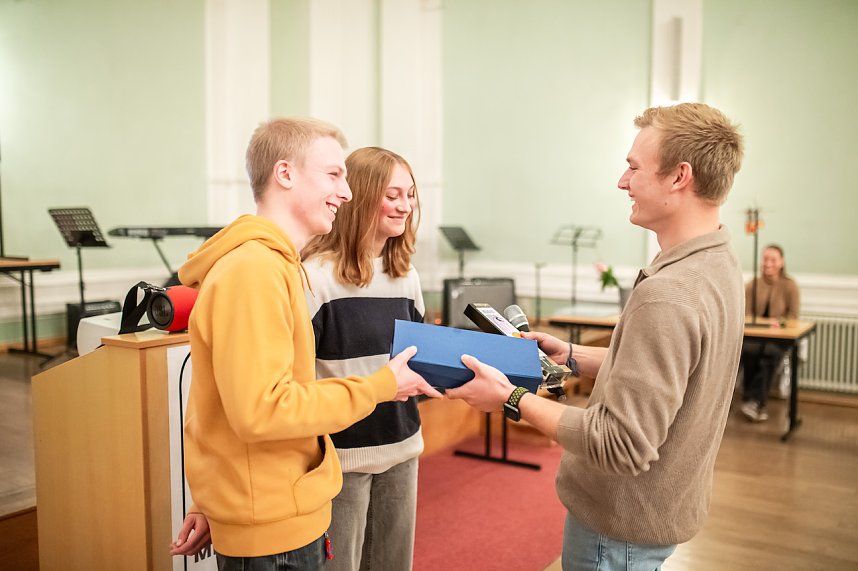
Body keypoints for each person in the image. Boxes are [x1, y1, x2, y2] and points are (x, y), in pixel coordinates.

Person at [447, 102, 745, 570]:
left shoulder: (669, 294)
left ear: (679, 177)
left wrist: (510, 397)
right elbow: (675, 376)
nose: (622, 182)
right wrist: (570, 355)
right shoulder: (717, 263)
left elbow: (620, 443)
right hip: (658, 510)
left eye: (633, 167)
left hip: (618, 528)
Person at [168, 118, 442, 569]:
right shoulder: (255, 270)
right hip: (277, 518)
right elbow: (262, 409)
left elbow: (215, 405)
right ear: (285, 174)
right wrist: (377, 387)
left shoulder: (275, 265)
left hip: (289, 500)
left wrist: (210, 501)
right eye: (334, 175)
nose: (347, 192)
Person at [301, 146, 424, 571]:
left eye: (410, 194)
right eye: (393, 194)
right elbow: (300, 378)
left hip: (403, 446)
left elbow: (414, 360)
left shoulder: (407, 275)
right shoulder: (316, 277)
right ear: (362, 195)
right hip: (342, 456)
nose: (405, 206)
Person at [740, 244, 801, 422]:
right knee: (749, 350)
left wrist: (779, 324)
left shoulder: (790, 286)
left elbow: (793, 317)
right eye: (765, 259)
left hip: (779, 337)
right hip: (756, 336)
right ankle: (754, 402)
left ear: (781, 262)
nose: (768, 263)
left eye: (772, 260)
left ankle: (754, 400)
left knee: (771, 353)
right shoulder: (753, 284)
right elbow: (747, 314)